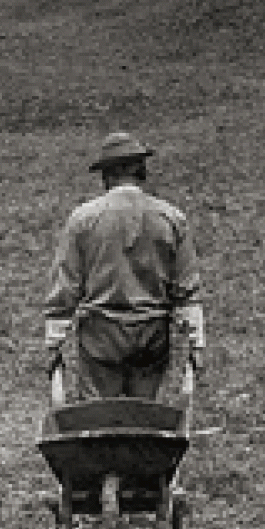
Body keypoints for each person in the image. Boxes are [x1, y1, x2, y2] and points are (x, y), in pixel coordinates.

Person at [44, 131, 205, 404]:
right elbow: (187, 289)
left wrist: (54, 342)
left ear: (108, 174)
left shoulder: (84, 219)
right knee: (143, 416)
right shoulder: (171, 218)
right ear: (140, 169)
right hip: (152, 335)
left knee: (97, 418)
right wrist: (196, 341)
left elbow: (65, 287)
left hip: (100, 338)